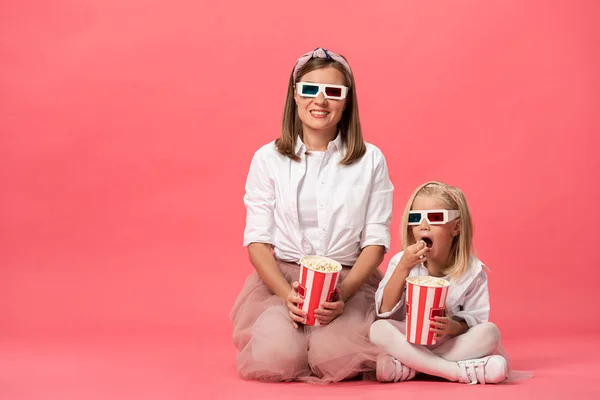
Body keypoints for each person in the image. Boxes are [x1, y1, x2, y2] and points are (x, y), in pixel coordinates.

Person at [230, 47, 394, 383]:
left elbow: (376, 241)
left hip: (347, 281)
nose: (320, 101)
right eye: (309, 89)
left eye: (333, 92)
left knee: (338, 359)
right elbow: (257, 241)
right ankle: (298, 339)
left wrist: (342, 295)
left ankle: (321, 342)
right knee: (275, 357)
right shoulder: (267, 159)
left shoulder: (371, 159)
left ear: (346, 101)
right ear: (295, 94)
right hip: (284, 280)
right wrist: (286, 294)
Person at [370, 181, 510, 384]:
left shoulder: (473, 272)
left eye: (435, 218)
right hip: (407, 339)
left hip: (449, 342)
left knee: (490, 332)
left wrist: (451, 327)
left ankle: (410, 368)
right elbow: (385, 309)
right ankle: (457, 371)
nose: (423, 225)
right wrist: (403, 268)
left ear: (456, 227)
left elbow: (473, 320)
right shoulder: (401, 261)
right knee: (378, 329)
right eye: (415, 218)